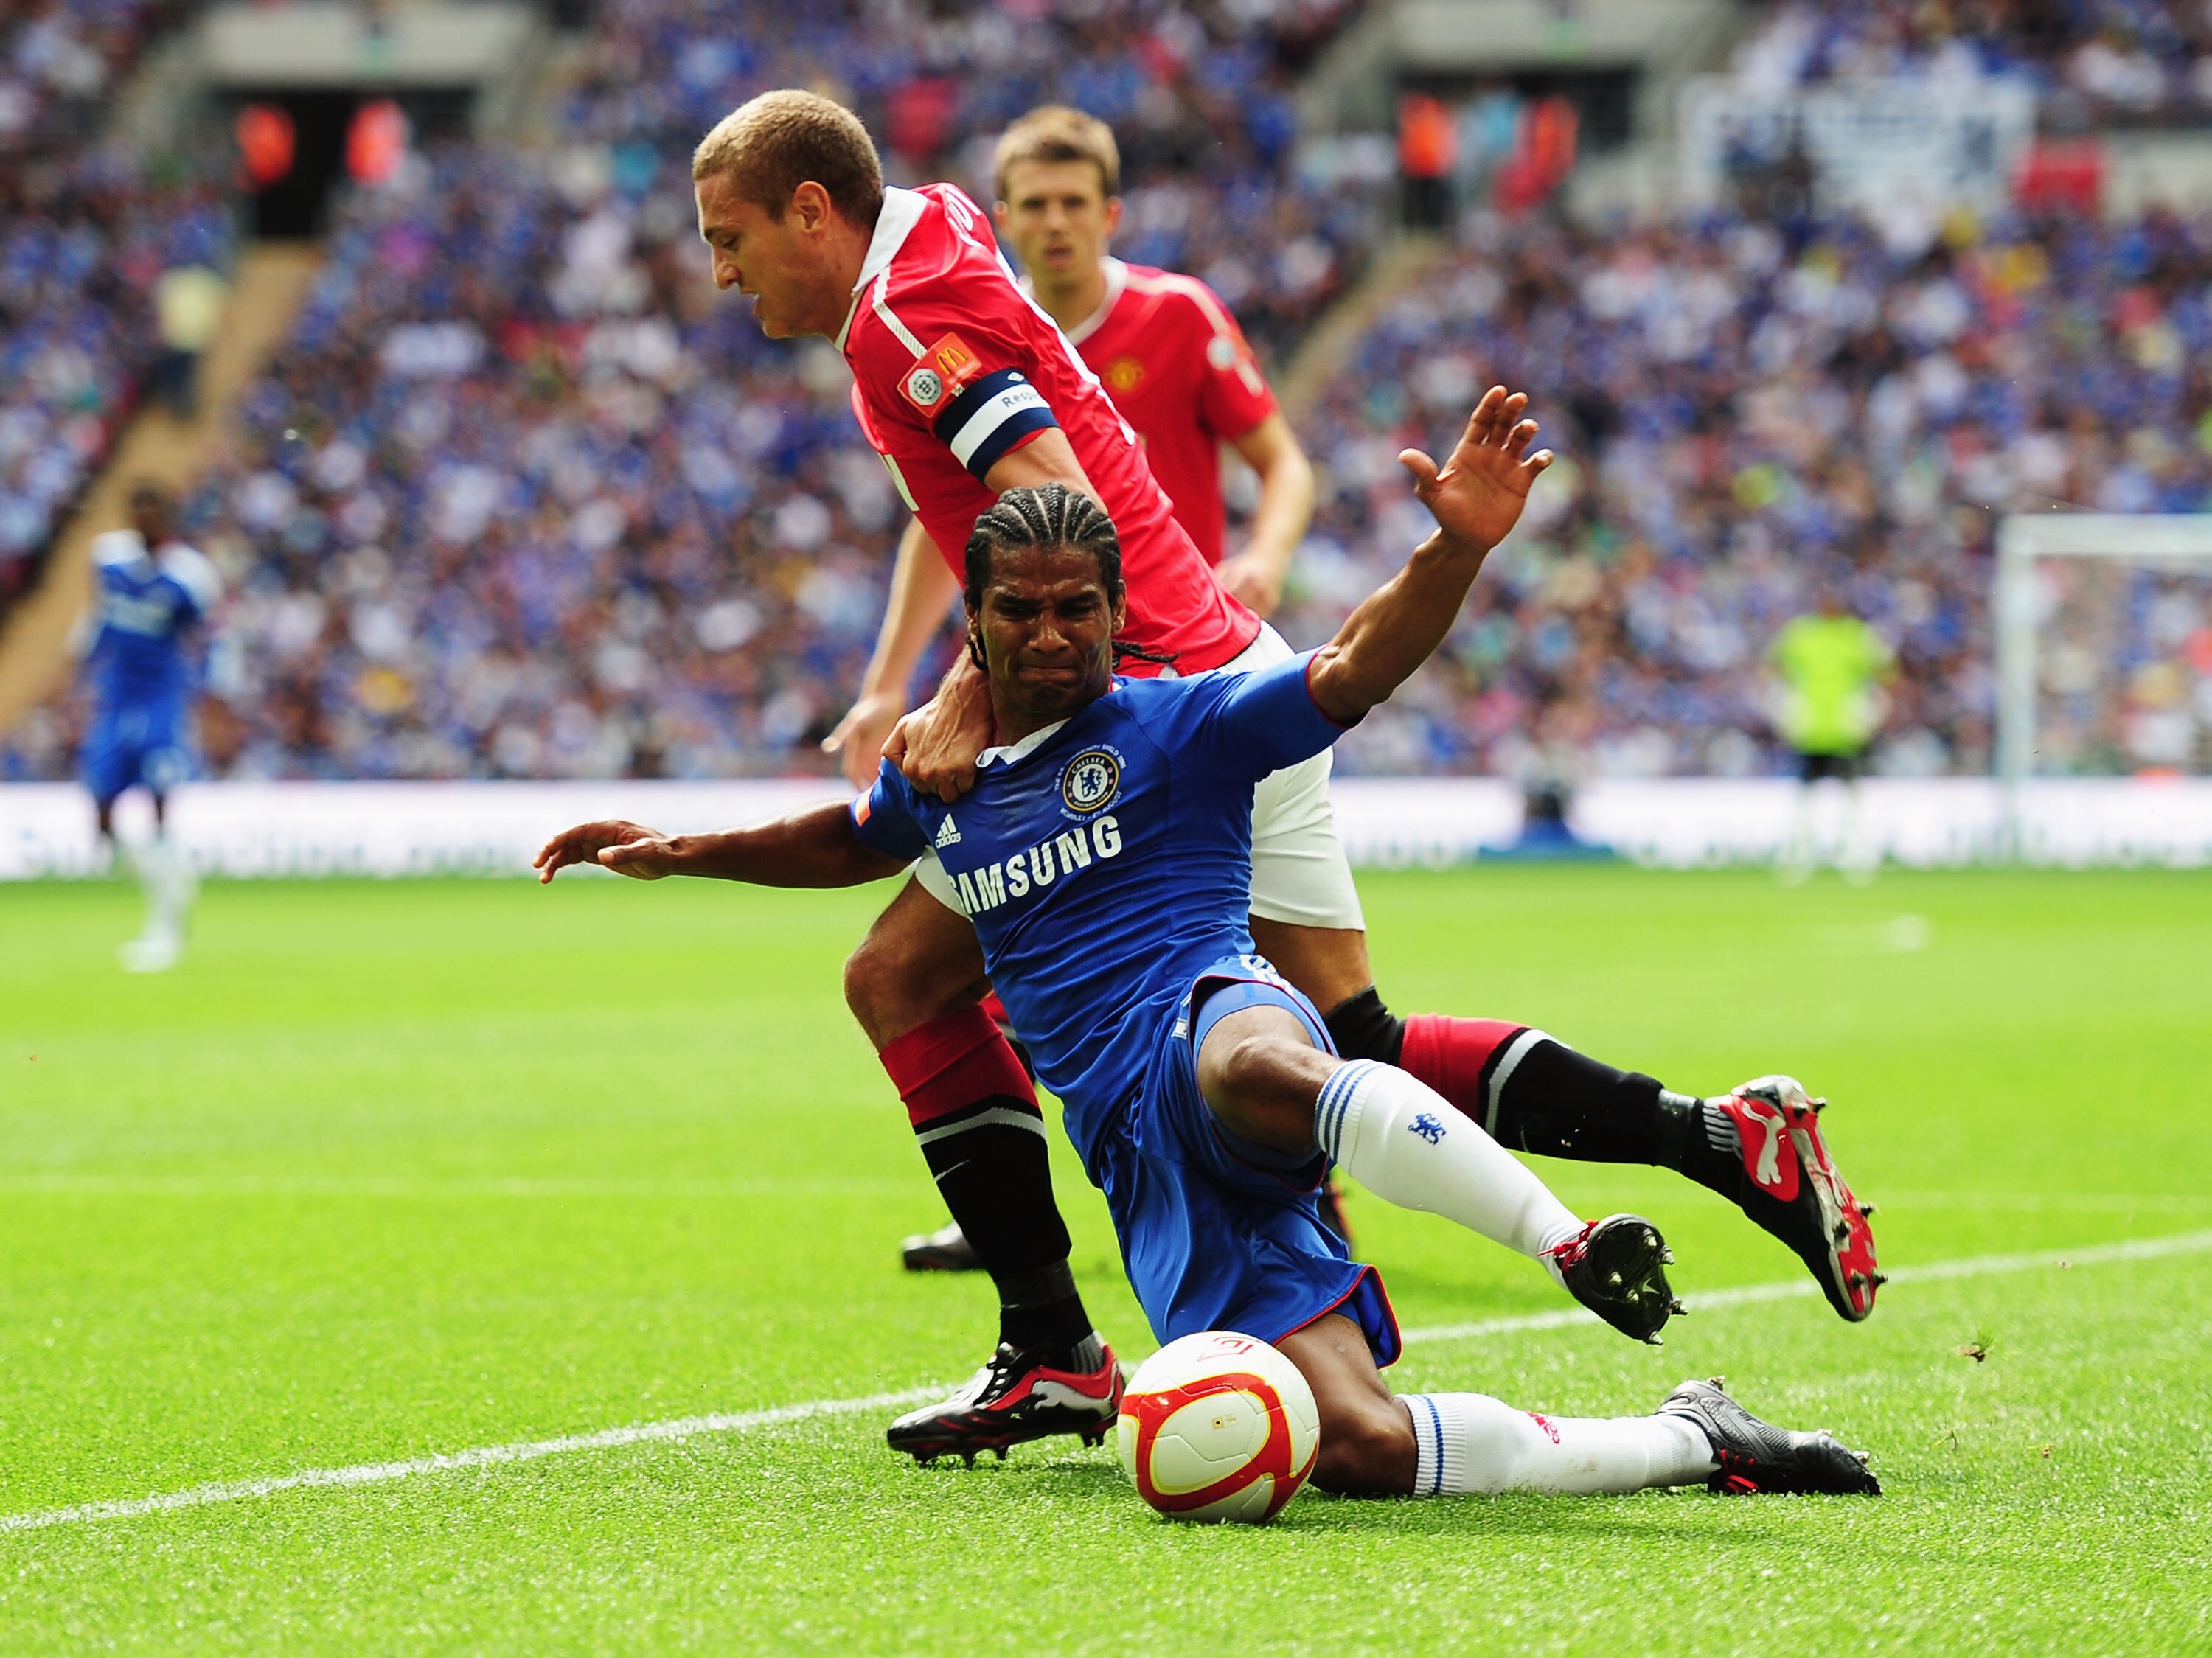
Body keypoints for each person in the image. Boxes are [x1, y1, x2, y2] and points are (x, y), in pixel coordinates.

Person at [688, 89, 1879, 1462]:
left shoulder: (912, 323)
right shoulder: (928, 240)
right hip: (1211, 663)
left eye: (732, 239)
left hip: (1149, 705)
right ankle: (1717, 1138)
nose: (726, 272)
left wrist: (962, 691)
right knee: (1352, 1039)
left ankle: (1054, 1346)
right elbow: (976, 494)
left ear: (814, 212)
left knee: (904, 975)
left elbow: (1049, 493)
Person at [536, 395, 1880, 1500]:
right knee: (1350, 1443)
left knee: (1253, 1055)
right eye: (1022, 611)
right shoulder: (946, 770)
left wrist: (1456, 551)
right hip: (1146, 1165)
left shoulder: (1186, 725)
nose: (1052, 634)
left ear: (1119, 613)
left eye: (1078, 607)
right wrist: (679, 847)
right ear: (979, 622)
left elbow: (1350, 668)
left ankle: (1568, 1236)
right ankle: (1702, 1436)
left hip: (1213, 1017)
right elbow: (854, 839)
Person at [822, 104, 1329, 1272]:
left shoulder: (1166, 314)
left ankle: (1275, 1167)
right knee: (989, 956)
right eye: (1030, 206)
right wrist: (889, 679)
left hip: (1182, 664)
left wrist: (1267, 552)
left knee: (1267, 989)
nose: (1051, 224)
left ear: (1110, 213)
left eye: (1071, 203)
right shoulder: (967, 318)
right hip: (1067, 679)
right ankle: (1107, 1215)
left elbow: (1278, 459)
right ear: (1000, 218)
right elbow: (939, 520)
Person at [77, 481, 220, 971]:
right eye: (137, 510)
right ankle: (168, 883)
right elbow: (99, 619)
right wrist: (83, 667)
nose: (144, 520)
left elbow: (209, 638)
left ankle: (165, 926)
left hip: (161, 704)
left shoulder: (190, 575)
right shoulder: (108, 559)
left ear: (168, 518)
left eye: (153, 512)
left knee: (159, 810)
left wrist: (210, 699)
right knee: (100, 809)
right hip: (115, 703)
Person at [1772, 587, 1895, 883]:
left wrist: (1869, 708)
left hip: (1844, 731)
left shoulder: (1855, 635)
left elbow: (1886, 672)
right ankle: (1803, 855)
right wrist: (1787, 706)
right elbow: (1775, 668)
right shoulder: (1801, 634)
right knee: (1806, 797)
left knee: (1850, 795)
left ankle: (1853, 854)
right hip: (1811, 729)